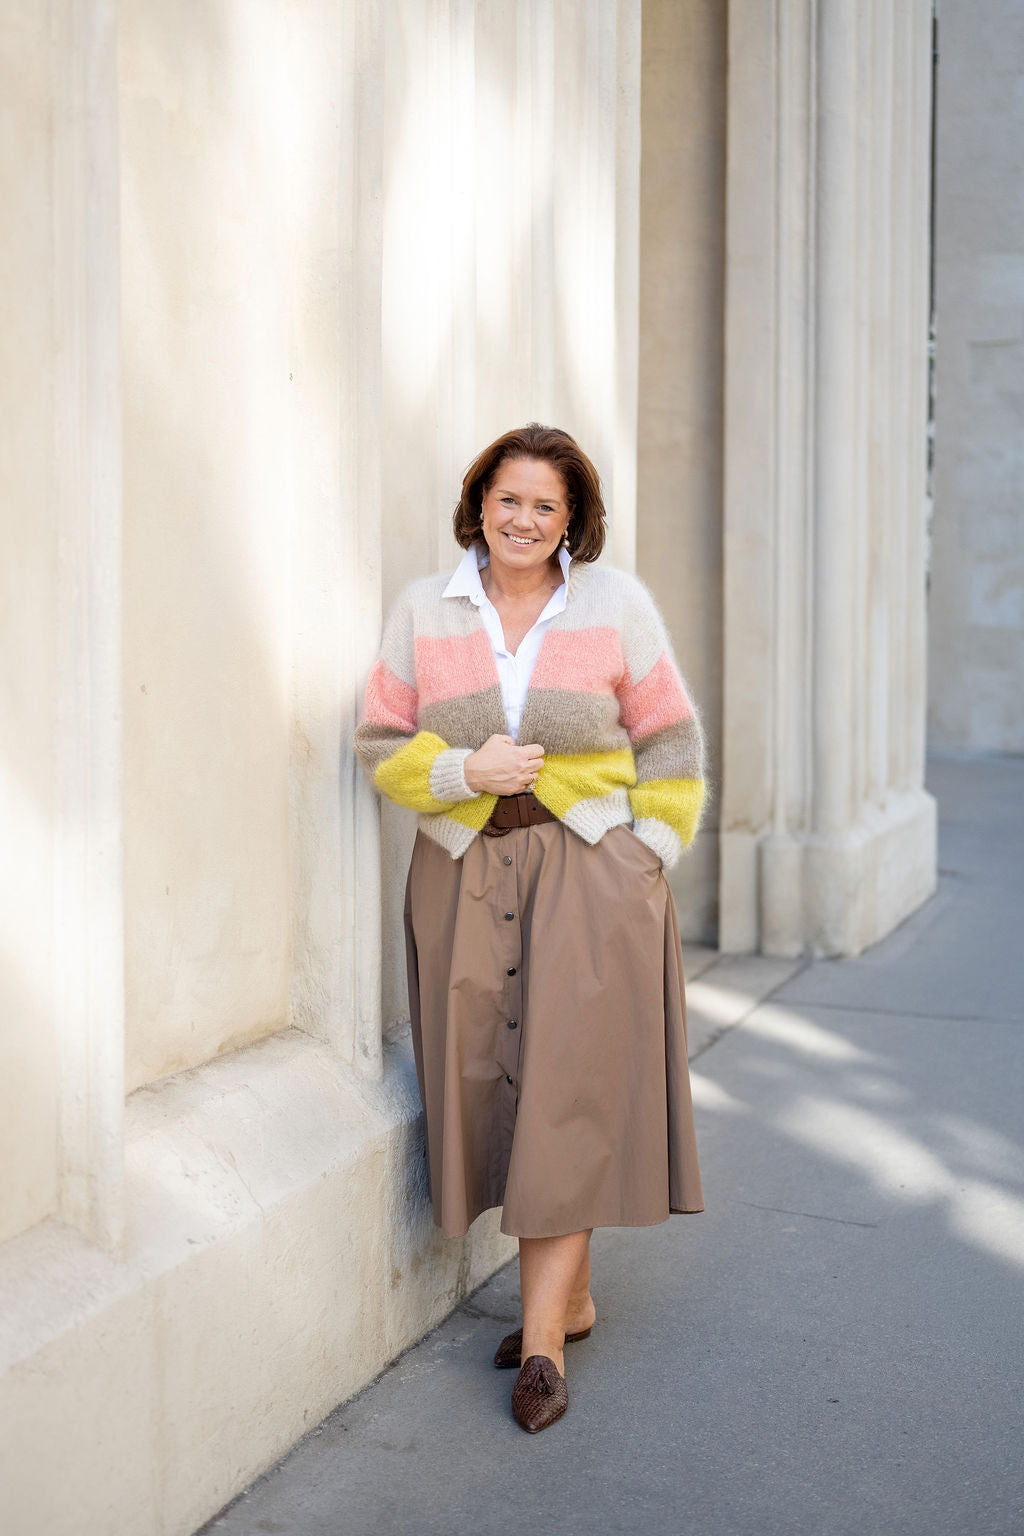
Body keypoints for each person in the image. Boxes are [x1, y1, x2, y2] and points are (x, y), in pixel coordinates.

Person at [355, 423, 705, 1434]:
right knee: (491, 1085)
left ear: (571, 520)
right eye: (508, 499)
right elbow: (379, 738)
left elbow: (672, 740)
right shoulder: (425, 610)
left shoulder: (614, 606)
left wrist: (645, 854)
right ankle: (575, 1300)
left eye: (546, 505)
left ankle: (542, 1343)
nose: (523, 519)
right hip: (461, 865)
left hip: (588, 870)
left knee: (566, 1089)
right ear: (479, 504)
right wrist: (463, 771)